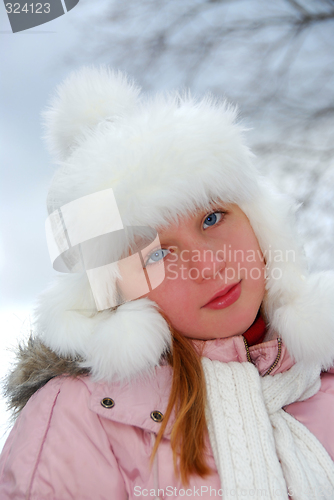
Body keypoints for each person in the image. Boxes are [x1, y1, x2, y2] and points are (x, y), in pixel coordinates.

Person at [0, 66, 334, 500]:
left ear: (260, 222)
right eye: (156, 253)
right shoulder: (76, 419)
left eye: (212, 218)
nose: (207, 266)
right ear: (116, 295)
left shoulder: (322, 380)